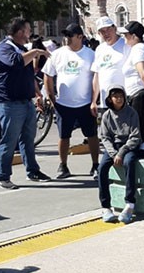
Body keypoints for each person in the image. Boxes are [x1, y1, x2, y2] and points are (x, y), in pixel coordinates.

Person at [0, 17, 52, 189]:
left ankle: (32, 170)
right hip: (9, 102)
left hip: (26, 101)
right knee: (10, 139)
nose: (30, 34)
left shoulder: (21, 49)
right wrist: (36, 52)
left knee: (28, 138)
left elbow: (27, 73)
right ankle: (3, 176)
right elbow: (16, 62)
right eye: (28, 30)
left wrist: (37, 93)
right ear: (20, 32)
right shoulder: (3, 48)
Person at [42, 23, 100, 180]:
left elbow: (96, 77)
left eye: (70, 35)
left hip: (85, 103)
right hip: (64, 104)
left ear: (80, 37)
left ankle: (95, 165)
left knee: (92, 135)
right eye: (65, 35)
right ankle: (63, 165)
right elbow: (48, 75)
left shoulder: (90, 54)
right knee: (64, 136)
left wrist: (94, 100)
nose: (66, 38)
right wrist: (51, 96)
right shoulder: (57, 54)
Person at [97, 85, 141, 225]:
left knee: (129, 163)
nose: (119, 99)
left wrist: (121, 153)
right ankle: (105, 207)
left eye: (121, 96)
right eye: (115, 96)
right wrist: (113, 153)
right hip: (113, 148)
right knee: (102, 168)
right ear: (110, 99)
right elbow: (104, 137)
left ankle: (129, 204)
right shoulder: (107, 115)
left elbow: (135, 136)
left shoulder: (131, 113)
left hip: (128, 146)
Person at [91, 16, 129, 118]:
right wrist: (94, 101)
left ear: (115, 28)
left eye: (108, 29)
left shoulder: (126, 45)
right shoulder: (99, 49)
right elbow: (97, 76)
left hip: (123, 101)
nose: (106, 33)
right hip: (105, 102)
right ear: (99, 34)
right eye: (102, 31)